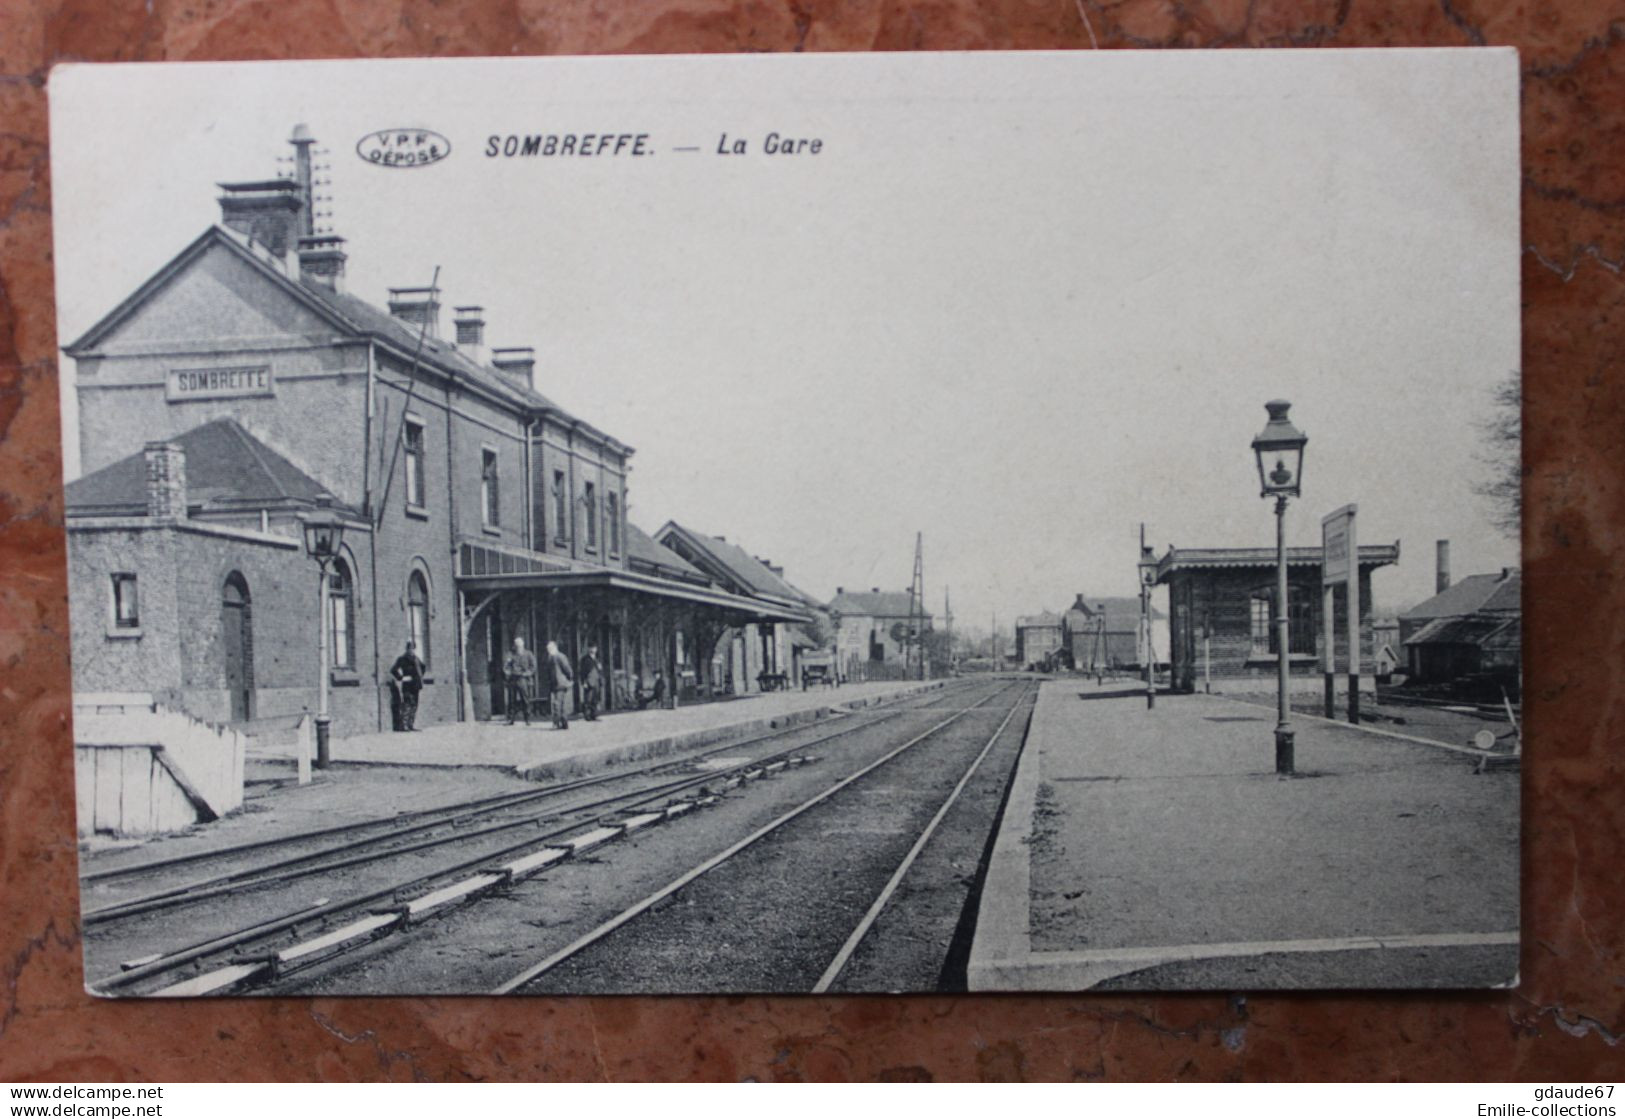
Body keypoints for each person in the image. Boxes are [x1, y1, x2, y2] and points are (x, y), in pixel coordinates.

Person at [390, 641, 425, 731]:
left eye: (413, 648)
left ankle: (410, 725)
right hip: (407, 686)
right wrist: (401, 678)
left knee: (414, 705)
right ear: (407, 649)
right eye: (410, 648)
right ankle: (404, 726)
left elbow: (423, 667)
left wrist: (419, 677)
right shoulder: (402, 659)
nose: (412, 650)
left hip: (416, 685)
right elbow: (393, 670)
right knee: (407, 704)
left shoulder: (416, 659)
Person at [503, 637, 537, 725]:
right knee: (511, 700)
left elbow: (533, 667)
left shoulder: (528, 654)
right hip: (513, 679)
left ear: (523, 645)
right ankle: (511, 719)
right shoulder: (511, 654)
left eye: (519, 645)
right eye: (516, 645)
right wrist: (508, 672)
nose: (518, 647)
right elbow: (506, 666)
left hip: (523, 679)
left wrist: (527, 673)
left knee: (525, 699)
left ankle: (527, 719)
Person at [545, 640, 573, 729]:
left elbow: (567, 668)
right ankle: (564, 723)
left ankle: (557, 723)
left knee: (557, 703)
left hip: (560, 683)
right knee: (560, 703)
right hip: (554, 683)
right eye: (548, 648)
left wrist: (569, 677)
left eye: (550, 648)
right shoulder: (550, 657)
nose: (548, 650)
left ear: (555, 647)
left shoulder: (560, 656)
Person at [578, 643, 602, 721]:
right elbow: (582, 672)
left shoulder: (597, 659)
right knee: (588, 699)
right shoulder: (585, 659)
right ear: (588, 649)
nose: (593, 649)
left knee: (595, 699)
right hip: (589, 681)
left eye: (594, 648)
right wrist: (583, 682)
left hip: (596, 681)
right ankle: (587, 715)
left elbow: (599, 670)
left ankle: (594, 715)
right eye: (591, 648)